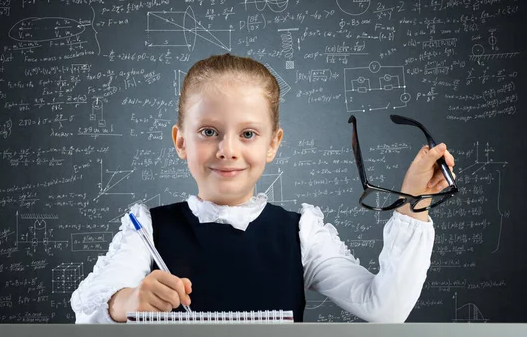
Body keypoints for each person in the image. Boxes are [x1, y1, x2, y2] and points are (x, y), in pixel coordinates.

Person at [70, 53, 455, 323]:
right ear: (181, 140)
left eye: (249, 134)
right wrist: (129, 300)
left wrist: (414, 204)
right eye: (208, 132)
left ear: (273, 143)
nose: (227, 150)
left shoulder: (302, 232)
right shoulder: (146, 229)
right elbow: (88, 308)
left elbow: (384, 308)